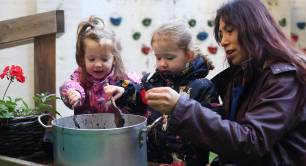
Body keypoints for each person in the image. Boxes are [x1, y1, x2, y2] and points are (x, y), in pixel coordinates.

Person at [144, 0, 306, 165]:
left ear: (254, 28)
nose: (223, 41)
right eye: (221, 35)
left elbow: (250, 143)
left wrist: (181, 107)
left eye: (229, 31)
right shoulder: (240, 78)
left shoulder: (285, 78)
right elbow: (230, 141)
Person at [104, 21, 220, 165]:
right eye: (158, 57)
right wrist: (123, 91)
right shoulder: (152, 81)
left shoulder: (203, 87)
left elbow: (211, 126)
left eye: (169, 58)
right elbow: (138, 98)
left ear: (189, 55)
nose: (162, 64)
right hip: (153, 160)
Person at [60, 16, 139, 114]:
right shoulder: (80, 77)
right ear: (83, 58)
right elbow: (68, 85)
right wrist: (74, 93)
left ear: (114, 59)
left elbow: (138, 90)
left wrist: (124, 91)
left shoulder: (121, 76)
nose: (98, 64)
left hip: (117, 127)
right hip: (86, 127)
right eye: (91, 59)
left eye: (104, 59)